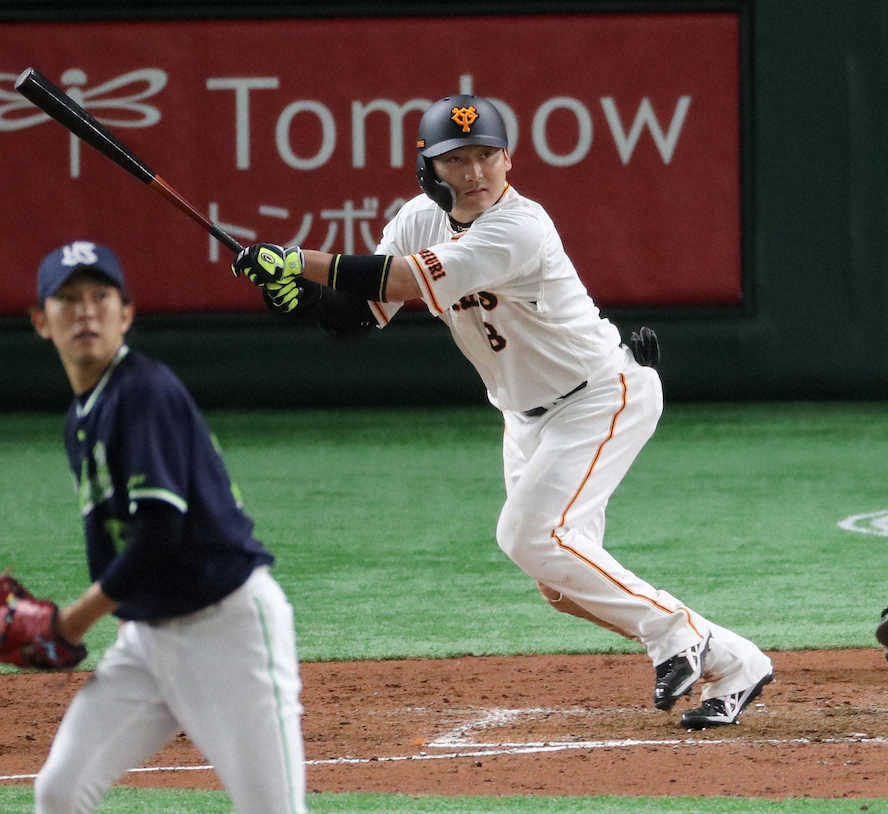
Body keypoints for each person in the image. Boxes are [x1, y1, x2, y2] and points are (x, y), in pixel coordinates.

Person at [232, 94, 774, 730]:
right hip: (526, 417)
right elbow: (358, 314)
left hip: (601, 395)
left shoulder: (521, 225)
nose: (474, 172)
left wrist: (299, 261)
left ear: (508, 157)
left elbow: (398, 281)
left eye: (486, 154)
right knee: (561, 582)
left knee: (525, 534)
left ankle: (674, 633)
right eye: (456, 158)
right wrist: (291, 296)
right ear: (428, 167)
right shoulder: (416, 220)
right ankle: (734, 660)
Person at [29, 240, 307, 813]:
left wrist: (71, 622)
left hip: (230, 629)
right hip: (148, 639)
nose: (86, 311)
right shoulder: (83, 414)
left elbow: (159, 530)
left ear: (126, 313)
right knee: (61, 788)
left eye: (100, 296)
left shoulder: (144, 392)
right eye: (68, 299)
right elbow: (115, 546)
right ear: (41, 321)